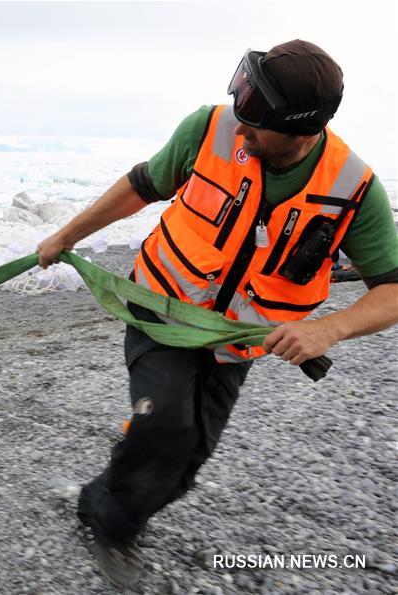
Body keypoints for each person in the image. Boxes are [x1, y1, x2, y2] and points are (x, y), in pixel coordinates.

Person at [37, 40, 398, 587]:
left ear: (303, 131)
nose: (241, 128)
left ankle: (122, 485)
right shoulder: (209, 129)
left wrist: (330, 328)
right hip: (160, 311)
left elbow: (392, 290)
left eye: (256, 122)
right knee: (164, 427)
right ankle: (108, 523)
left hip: (234, 344)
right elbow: (141, 185)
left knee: (188, 458)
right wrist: (65, 236)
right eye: (239, 107)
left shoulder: (355, 189)